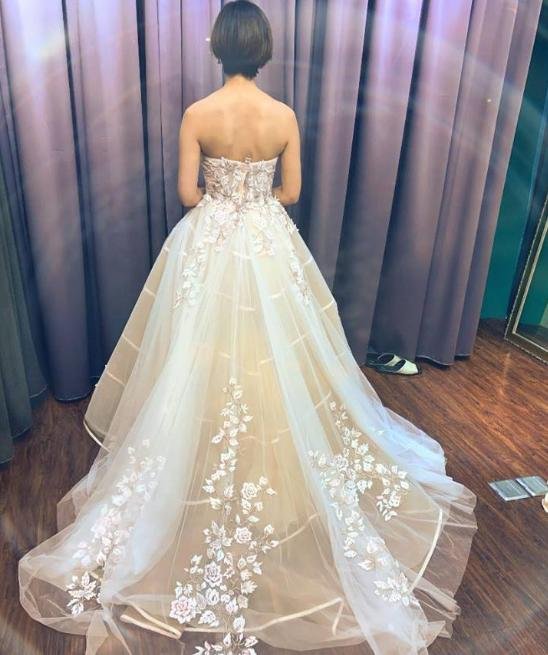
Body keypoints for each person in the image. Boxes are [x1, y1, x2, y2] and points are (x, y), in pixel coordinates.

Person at [18, 2, 477, 654]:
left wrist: (222, 198)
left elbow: (187, 193)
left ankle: (192, 462)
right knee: (277, 355)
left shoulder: (198, 114)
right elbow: (292, 193)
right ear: (262, 49)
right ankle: (277, 472)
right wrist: (254, 199)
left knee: (198, 354)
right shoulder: (283, 116)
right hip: (267, 238)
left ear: (218, 48)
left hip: (208, 240)